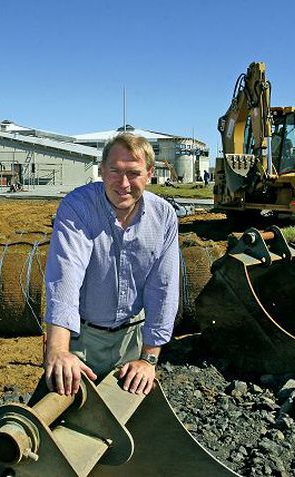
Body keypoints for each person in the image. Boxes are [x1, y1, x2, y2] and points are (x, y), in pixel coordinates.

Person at [44, 132, 179, 397]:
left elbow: (163, 289)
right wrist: (58, 351)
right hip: (81, 338)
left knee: (128, 423)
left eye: (134, 173)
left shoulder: (163, 216)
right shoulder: (78, 207)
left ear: (149, 173)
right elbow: (65, 276)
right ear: (102, 170)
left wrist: (148, 359)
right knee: (60, 420)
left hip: (133, 338)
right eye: (115, 171)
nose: (124, 183)